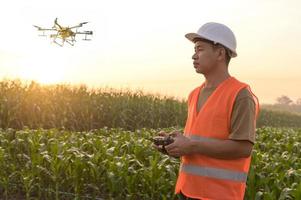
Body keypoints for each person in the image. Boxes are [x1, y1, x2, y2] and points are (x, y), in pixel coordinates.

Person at [154, 22, 259, 200]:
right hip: (188, 191)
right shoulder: (194, 94)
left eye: (200, 49)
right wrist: (174, 145)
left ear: (220, 53)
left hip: (221, 195)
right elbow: (197, 141)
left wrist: (192, 145)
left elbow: (243, 148)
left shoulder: (240, 95)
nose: (194, 56)